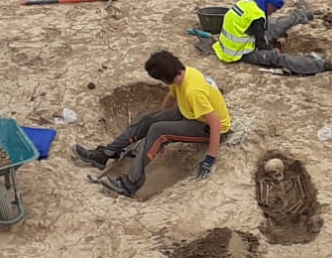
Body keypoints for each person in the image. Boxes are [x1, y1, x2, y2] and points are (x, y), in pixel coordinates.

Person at [76, 50, 230, 197]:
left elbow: (216, 124)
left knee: (158, 130)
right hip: (190, 114)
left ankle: (131, 184)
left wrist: (210, 159)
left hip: (208, 129)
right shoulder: (183, 75)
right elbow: (170, 98)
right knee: (148, 120)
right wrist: (158, 120)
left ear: (164, 77)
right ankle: (104, 154)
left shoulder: (193, 91)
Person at [214, 0, 331, 76]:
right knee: (277, 58)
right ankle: (321, 65)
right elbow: (261, 43)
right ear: (269, 4)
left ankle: (302, 13)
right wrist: (271, 50)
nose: (273, 12)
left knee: (275, 25)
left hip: (227, 45)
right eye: (274, 9)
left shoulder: (247, 3)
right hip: (239, 53)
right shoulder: (257, 17)